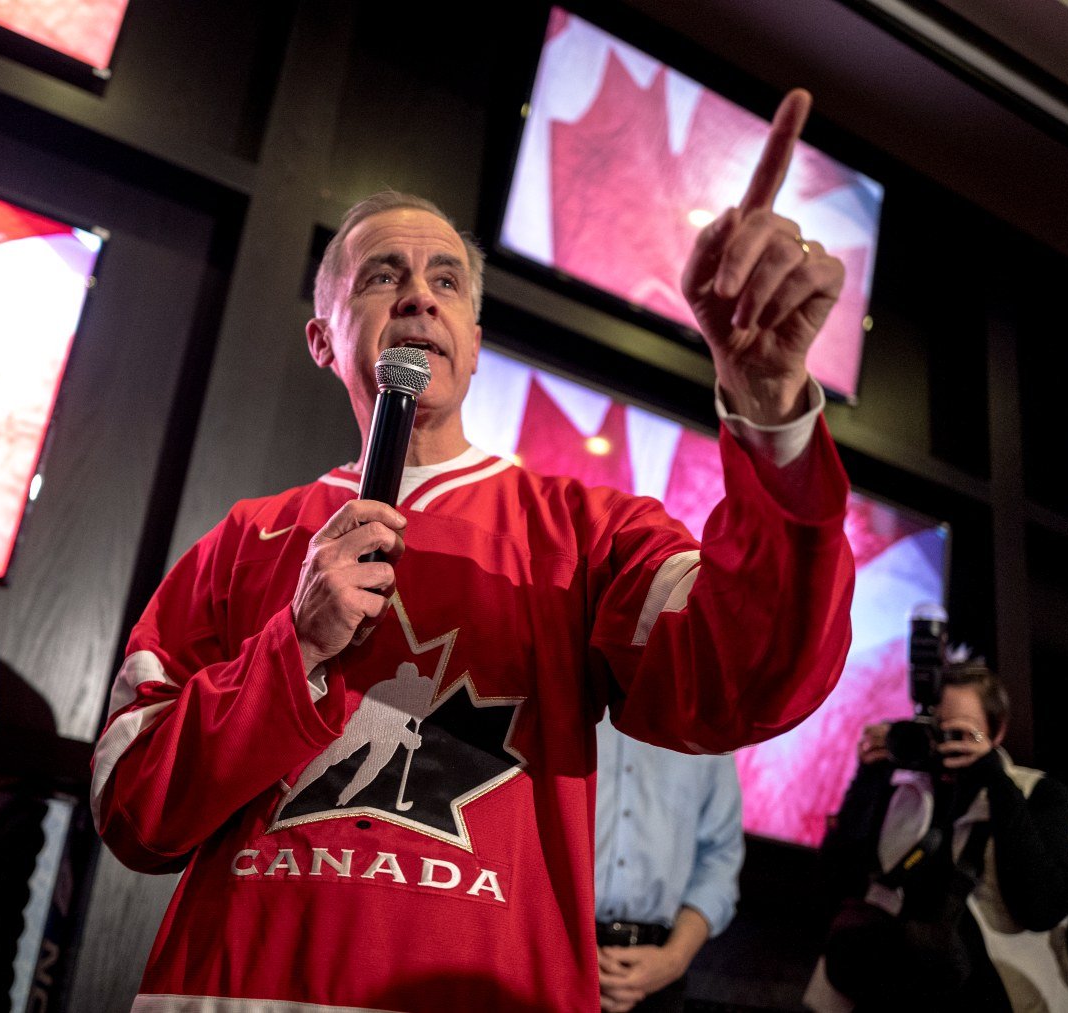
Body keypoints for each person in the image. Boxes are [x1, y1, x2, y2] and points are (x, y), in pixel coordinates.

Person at [92, 89, 856, 1010]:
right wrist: (290, 649)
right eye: (382, 275)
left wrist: (771, 413)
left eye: (446, 280)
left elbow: (749, 675)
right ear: (321, 337)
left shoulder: (587, 535)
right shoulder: (240, 544)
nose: (419, 293)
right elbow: (132, 808)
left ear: (476, 343)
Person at [809, 661, 1068, 1012]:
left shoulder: (1040, 794)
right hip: (886, 988)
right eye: (935, 731)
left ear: (996, 732)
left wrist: (996, 782)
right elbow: (833, 886)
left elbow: (1042, 908)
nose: (943, 746)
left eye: (958, 733)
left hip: (999, 993)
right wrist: (867, 782)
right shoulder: (902, 788)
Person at [595, 719, 744, 1012]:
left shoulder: (706, 729)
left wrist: (674, 959)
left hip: (658, 969)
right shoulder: (561, 702)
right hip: (550, 955)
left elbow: (720, 859)